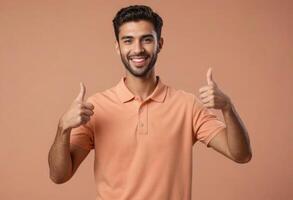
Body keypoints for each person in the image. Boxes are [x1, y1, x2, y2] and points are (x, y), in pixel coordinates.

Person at [48, 5, 252, 200]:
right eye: (128, 41)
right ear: (117, 47)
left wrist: (228, 108)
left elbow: (241, 155)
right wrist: (62, 128)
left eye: (146, 39)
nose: (137, 49)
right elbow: (59, 176)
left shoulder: (187, 105)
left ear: (159, 44)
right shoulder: (96, 107)